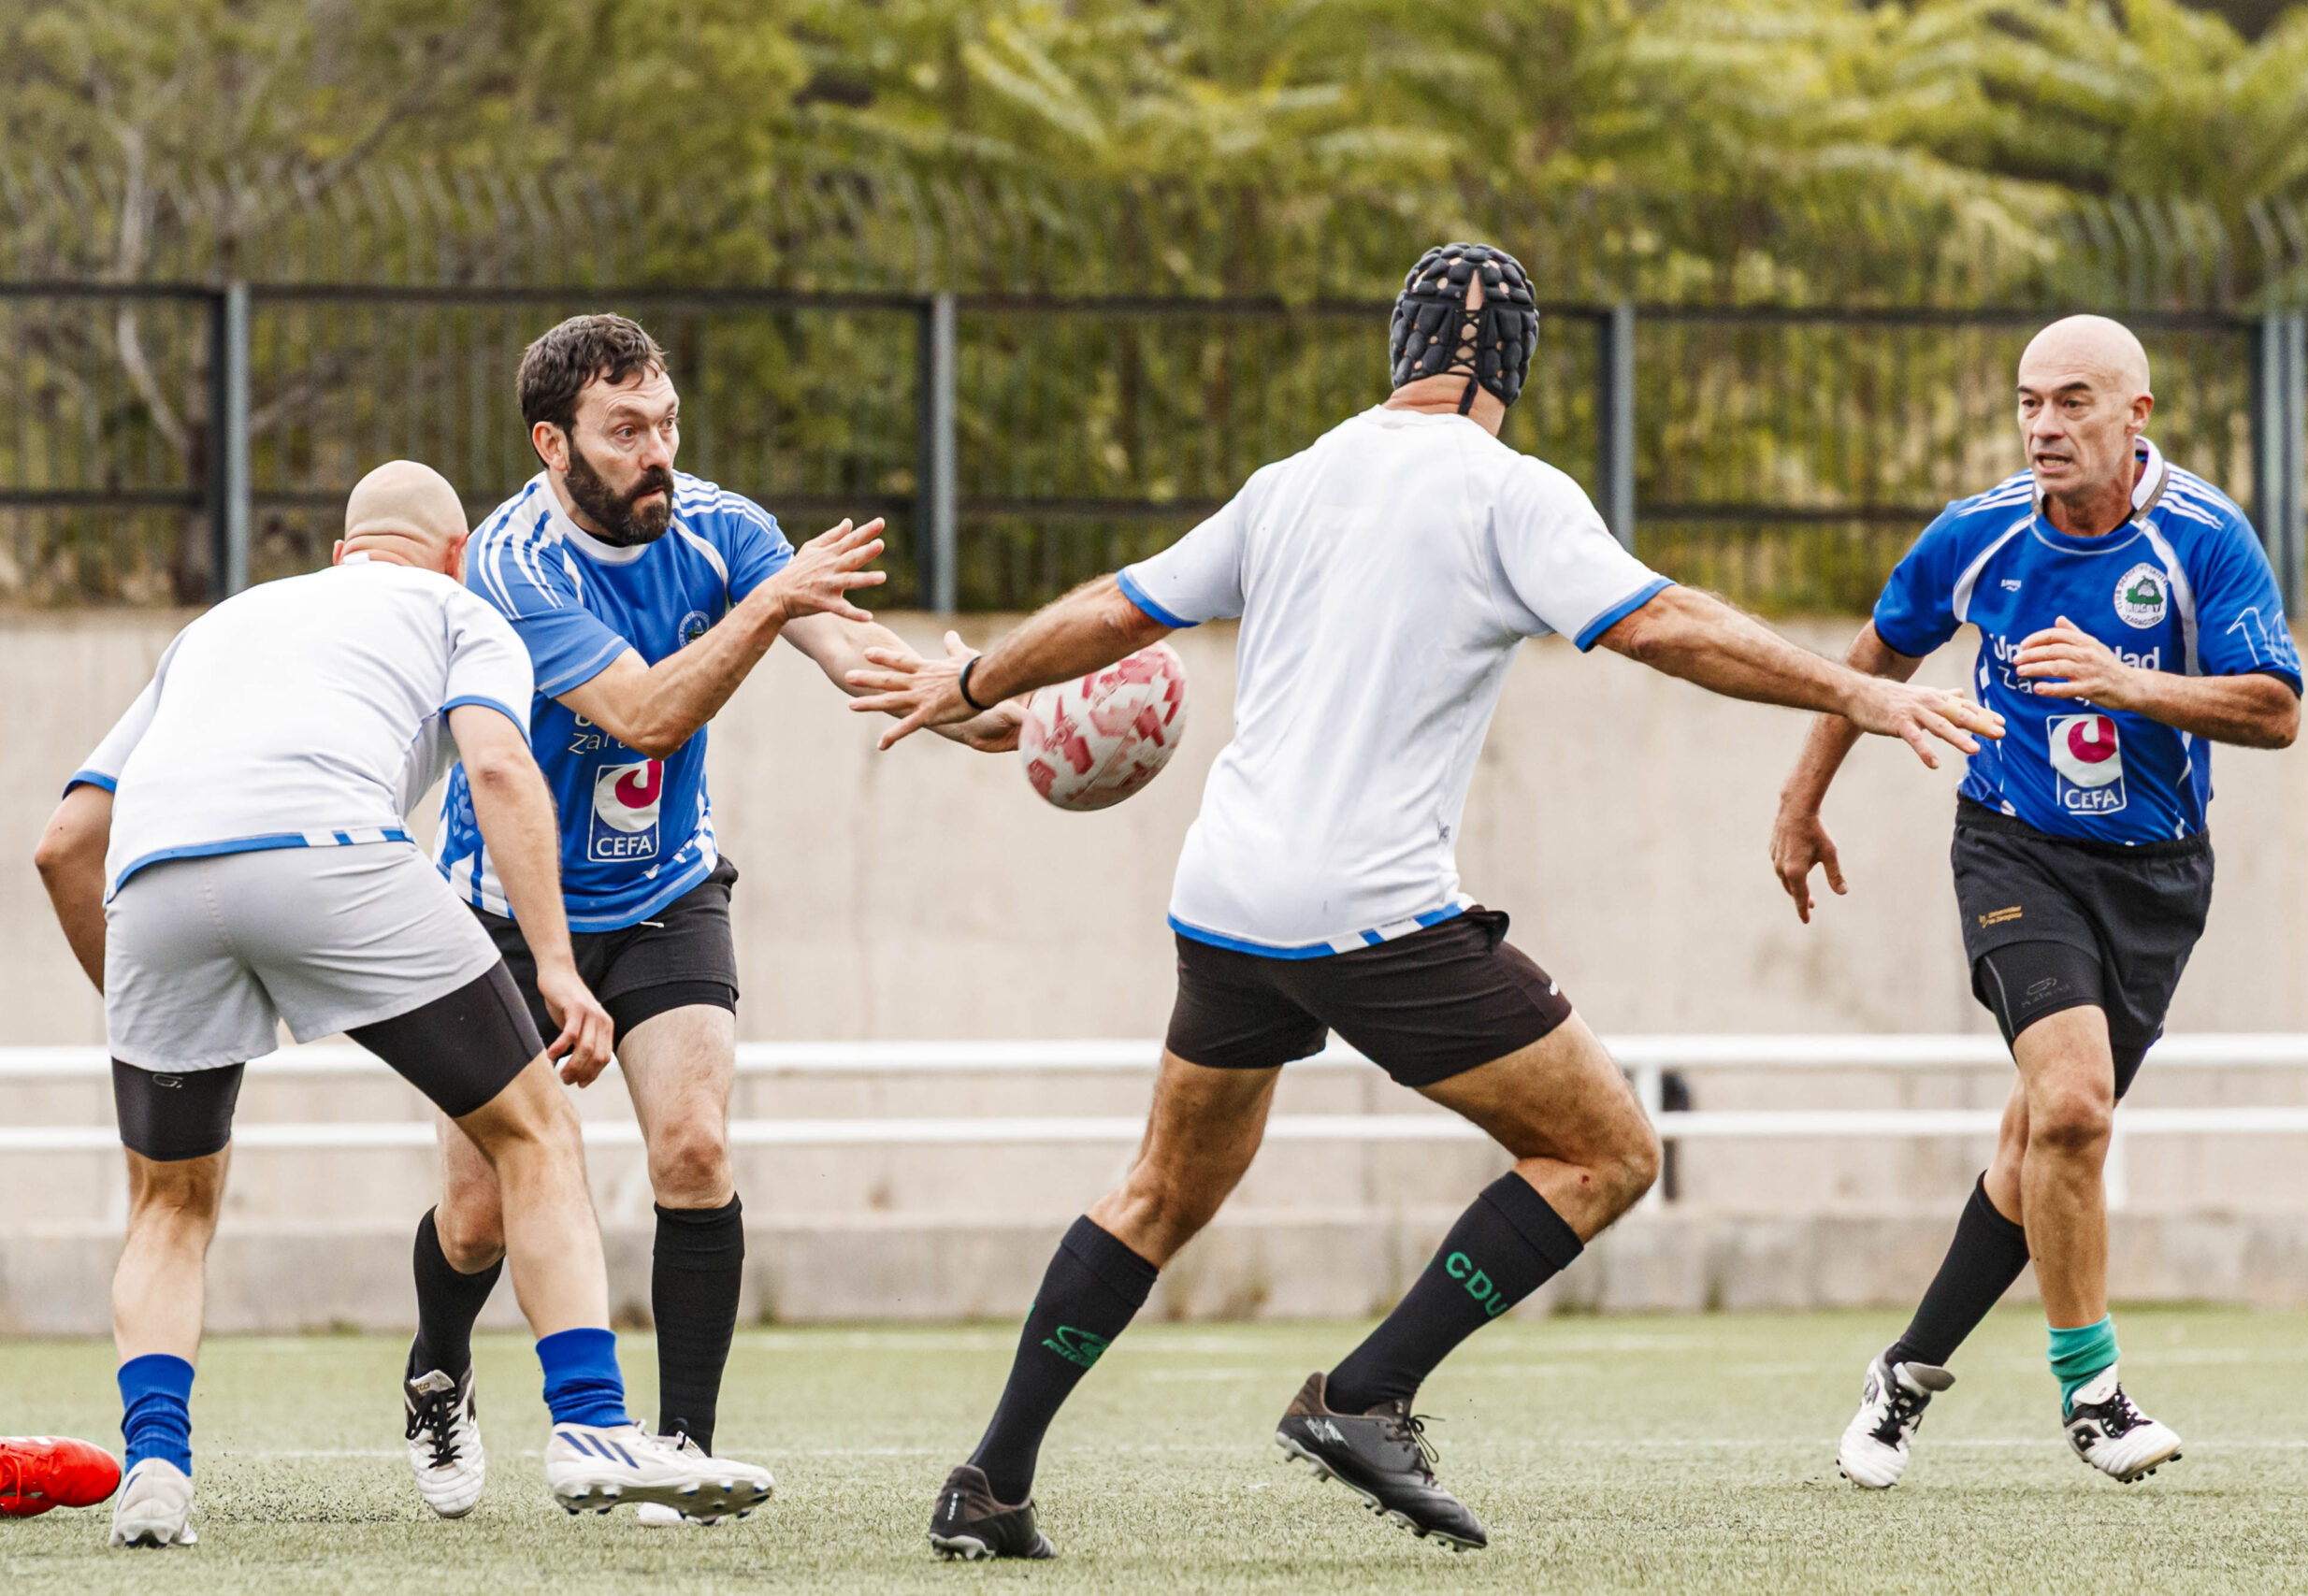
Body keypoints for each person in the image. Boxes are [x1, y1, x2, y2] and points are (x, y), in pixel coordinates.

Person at [849, 243, 2002, 1560]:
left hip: (1226, 901)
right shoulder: (1509, 494)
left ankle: (990, 1479)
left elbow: (1118, 609)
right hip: (1372, 916)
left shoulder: (1289, 481)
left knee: (1162, 1187)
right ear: (1516, 367)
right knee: (1608, 1150)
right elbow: (1663, 622)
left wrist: (979, 681)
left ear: (1395, 347)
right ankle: (1365, 1392)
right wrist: (1860, 690)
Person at [31, 461, 776, 1548]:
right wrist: (558, 969)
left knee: (170, 1205)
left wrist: (150, 1008)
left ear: (342, 553)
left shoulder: (219, 625)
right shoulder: (460, 605)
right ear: (457, 554)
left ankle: (154, 1467)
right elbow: (500, 772)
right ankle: (591, 1427)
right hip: (331, 855)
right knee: (533, 1135)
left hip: (152, 886)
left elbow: (61, 847)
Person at [411, 314, 1017, 1525]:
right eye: (625, 429)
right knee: (478, 1213)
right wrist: (770, 601)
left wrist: (973, 700)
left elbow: (849, 655)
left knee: (692, 1147)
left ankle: (679, 1448)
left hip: (666, 887)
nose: (658, 451)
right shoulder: (513, 564)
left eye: (667, 422)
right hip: (507, 911)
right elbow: (639, 711)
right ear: (554, 442)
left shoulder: (724, 530)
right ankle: (439, 1371)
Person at [1770, 315, 2303, 1488]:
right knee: (2070, 1109)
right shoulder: (1978, 533)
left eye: (2072, 402)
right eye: (2028, 403)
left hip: (2159, 876)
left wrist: (2129, 683)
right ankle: (2094, 1395)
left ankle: (1904, 1376)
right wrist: (1801, 799)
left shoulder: (2203, 540)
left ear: (2135, 416)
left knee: (2037, 1145)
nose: (2044, 427)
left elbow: (2274, 709)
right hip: (2012, 850)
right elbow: (1873, 653)